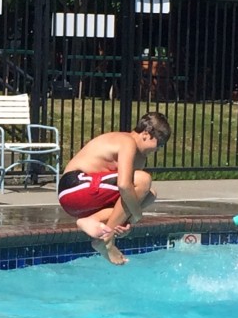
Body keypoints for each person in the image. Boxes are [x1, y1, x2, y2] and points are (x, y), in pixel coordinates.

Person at [58, 112, 171, 265]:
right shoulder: (127, 141)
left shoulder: (140, 157)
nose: (158, 149)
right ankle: (105, 240)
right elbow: (124, 185)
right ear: (146, 133)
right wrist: (137, 215)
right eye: (160, 143)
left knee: (150, 194)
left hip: (84, 195)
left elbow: (125, 199)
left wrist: (125, 223)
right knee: (143, 180)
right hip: (73, 185)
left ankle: (94, 222)